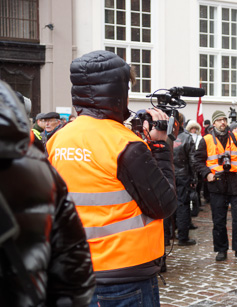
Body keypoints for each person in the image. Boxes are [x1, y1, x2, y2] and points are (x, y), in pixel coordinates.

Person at [46, 50, 177, 306]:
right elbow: (165, 204)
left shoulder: (58, 138)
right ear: (119, 92)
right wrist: (160, 147)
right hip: (121, 276)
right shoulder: (123, 143)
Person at [0, 80, 95, 306]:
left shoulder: (42, 155)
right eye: (44, 120)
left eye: (51, 120)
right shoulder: (38, 168)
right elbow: (74, 278)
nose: (48, 123)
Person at [194, 110, 237, 263]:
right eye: (219, 120)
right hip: (216, 183)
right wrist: (206, 174)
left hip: (236, 182)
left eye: (224, 119)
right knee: (218, 220)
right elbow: (197, 161)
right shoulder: (206, 140)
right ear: (214, 123)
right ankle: (221, 250)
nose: (223, 122)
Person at [170, 112, 196, 246]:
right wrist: (194, 178)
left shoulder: (163, 135)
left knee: (168, 204)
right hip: (183, 175)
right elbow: (192, 160)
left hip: (169, 175)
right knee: (183, 206)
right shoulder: (186, 137)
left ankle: (168, 234)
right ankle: (183, 237)